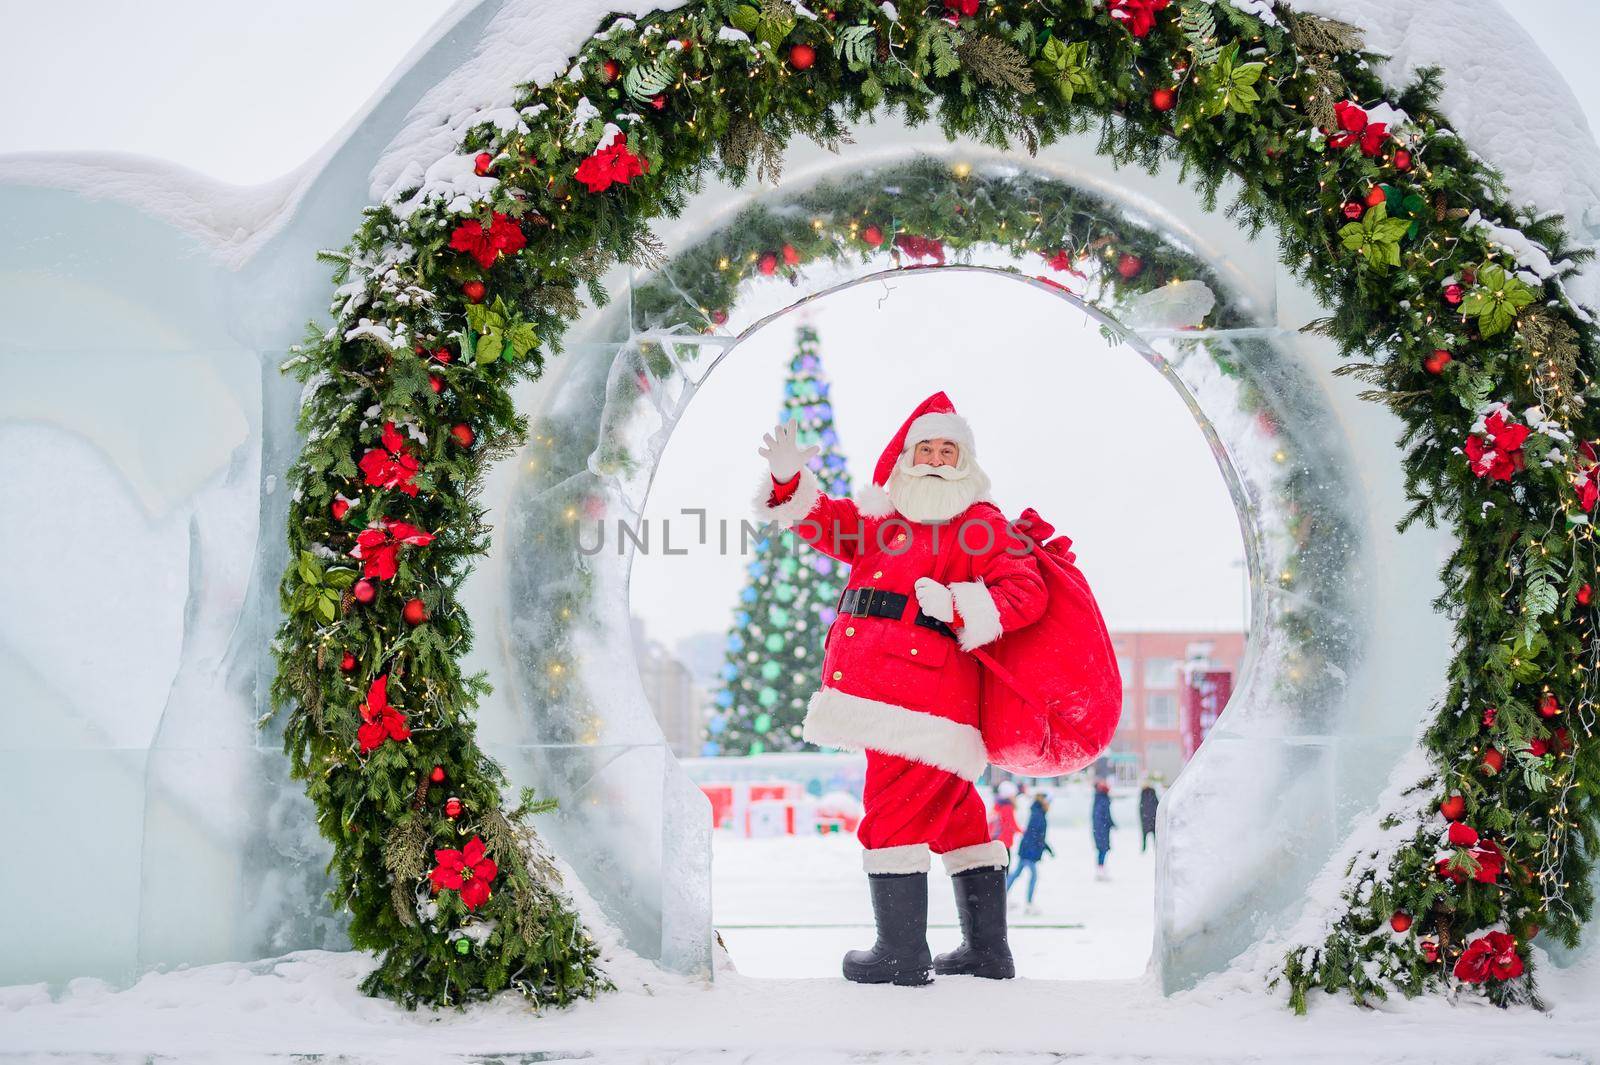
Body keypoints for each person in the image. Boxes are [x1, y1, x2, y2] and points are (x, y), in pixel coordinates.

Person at [755, 391, 1048, 985]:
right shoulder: (882, 521)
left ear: (965, 463)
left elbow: (1025, 591)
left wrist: (962, 606)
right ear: (908, 458)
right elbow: (824, 523)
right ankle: (987, 951)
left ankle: (900, 954)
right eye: (928, 448)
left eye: (949, 450)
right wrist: (790, 481)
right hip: (889, 689)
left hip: (918, 697)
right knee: (955, 814)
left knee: (892, 812)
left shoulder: (981, 524)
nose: (938, 459)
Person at [1006, 791, 1053, 915]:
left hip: (1027, 850)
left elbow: (1037, 836)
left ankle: (1002, 897)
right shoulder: (1038, 814)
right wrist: (1036, 852)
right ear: (1044, 801)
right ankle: (1029, 904)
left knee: (1016, 873)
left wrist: (1047, 848)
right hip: (1029, 852)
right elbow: (1034, 836)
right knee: (1033, 876)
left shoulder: (1038, 812)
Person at [1091, 778, 1116, 880]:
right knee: (1103, 849)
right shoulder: (1102, 799)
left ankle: (1101, 868)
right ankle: (1100, 869)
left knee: (1102, 849)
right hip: (1101, 829)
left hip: (1100, 828)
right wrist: (1110, 823)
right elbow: (1104, 815)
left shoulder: (1099, 798)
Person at [991, 780, 1022, 858]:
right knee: (1005, 864)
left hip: (997, 839)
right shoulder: (1007, 807)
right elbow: (1011, 823)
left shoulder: (998, 805)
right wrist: (1022, 831)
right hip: (1004, 840)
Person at [1139, 778, 1159, 853]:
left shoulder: (1143, 794)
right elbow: (1157, 804)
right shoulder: (1151, 793)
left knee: (1145, 835)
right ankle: (1154, 847)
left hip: (1146, 818)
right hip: (1152, 817)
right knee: (1154, 835)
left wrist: (1142, 817)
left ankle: (1144, 849)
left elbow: (1141, 807)